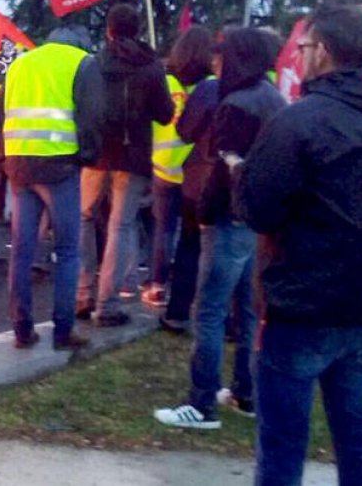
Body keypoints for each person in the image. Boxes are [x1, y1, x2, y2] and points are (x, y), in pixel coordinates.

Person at [237, 3, 362, 485]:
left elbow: (259, 210)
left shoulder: (300, 121)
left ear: (322, 52)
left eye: (301, 47)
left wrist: (240, 174)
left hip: (300, 307)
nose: (296, 57)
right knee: (360, 441)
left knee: (281, 448)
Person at [154, 26, 285, 430]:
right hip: (255, 220)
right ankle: (246, 393)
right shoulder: (274, 98)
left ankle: (201, 403)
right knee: (246, 309)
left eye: (221, 54)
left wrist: (206, 214)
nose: (215, 60)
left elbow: (222, 171)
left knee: (209, 311)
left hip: (228, 217)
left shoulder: (236, 104)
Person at [2, 27, 102, 349]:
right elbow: (91, 118)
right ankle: (62, 331)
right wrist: (86, 157)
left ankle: (21, 330)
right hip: (59, 167)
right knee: (68, 250)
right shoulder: (82, 63)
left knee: (21, 249)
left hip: (19, 165)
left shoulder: (19, 63)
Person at [77, 4, 174, 326]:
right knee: (121, 226)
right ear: (137, 31)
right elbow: (164, 114)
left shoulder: (93, 63)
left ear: (108, 30)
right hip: (132, 155)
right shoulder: (151, 67)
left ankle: (81, 295)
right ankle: (107, 305)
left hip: (95, 153)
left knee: (84, 218)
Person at [144, 26, 213, 308]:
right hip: (194, 169)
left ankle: (158, 285)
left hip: (161, 165)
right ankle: (189, 288)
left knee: (162, 228)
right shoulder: (210, 84)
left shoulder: (164, 80)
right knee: (191, 234)